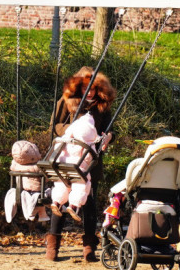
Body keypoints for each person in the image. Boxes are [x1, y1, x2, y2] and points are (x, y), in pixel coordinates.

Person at [45, 67, 116, 263]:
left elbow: (110, 130)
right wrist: (74, 130)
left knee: (89, 204)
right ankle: (53, 245)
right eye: (86, 87)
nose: (90, 92)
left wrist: (108, 137)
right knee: (61, 200)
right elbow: (55, 126)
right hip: (67, 157)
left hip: (90, 161)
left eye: (93, 88)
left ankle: (89, 248)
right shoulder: (67, 102)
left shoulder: (101, 106)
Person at [49, 111, 98, 222]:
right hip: (78, 169)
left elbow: (57, 149)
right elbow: (89, 157)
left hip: (62, 166)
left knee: (61, 184)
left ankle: (56, 202)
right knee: (82, 185)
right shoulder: (89, 143)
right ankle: (74, 206)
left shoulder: (66, 139)